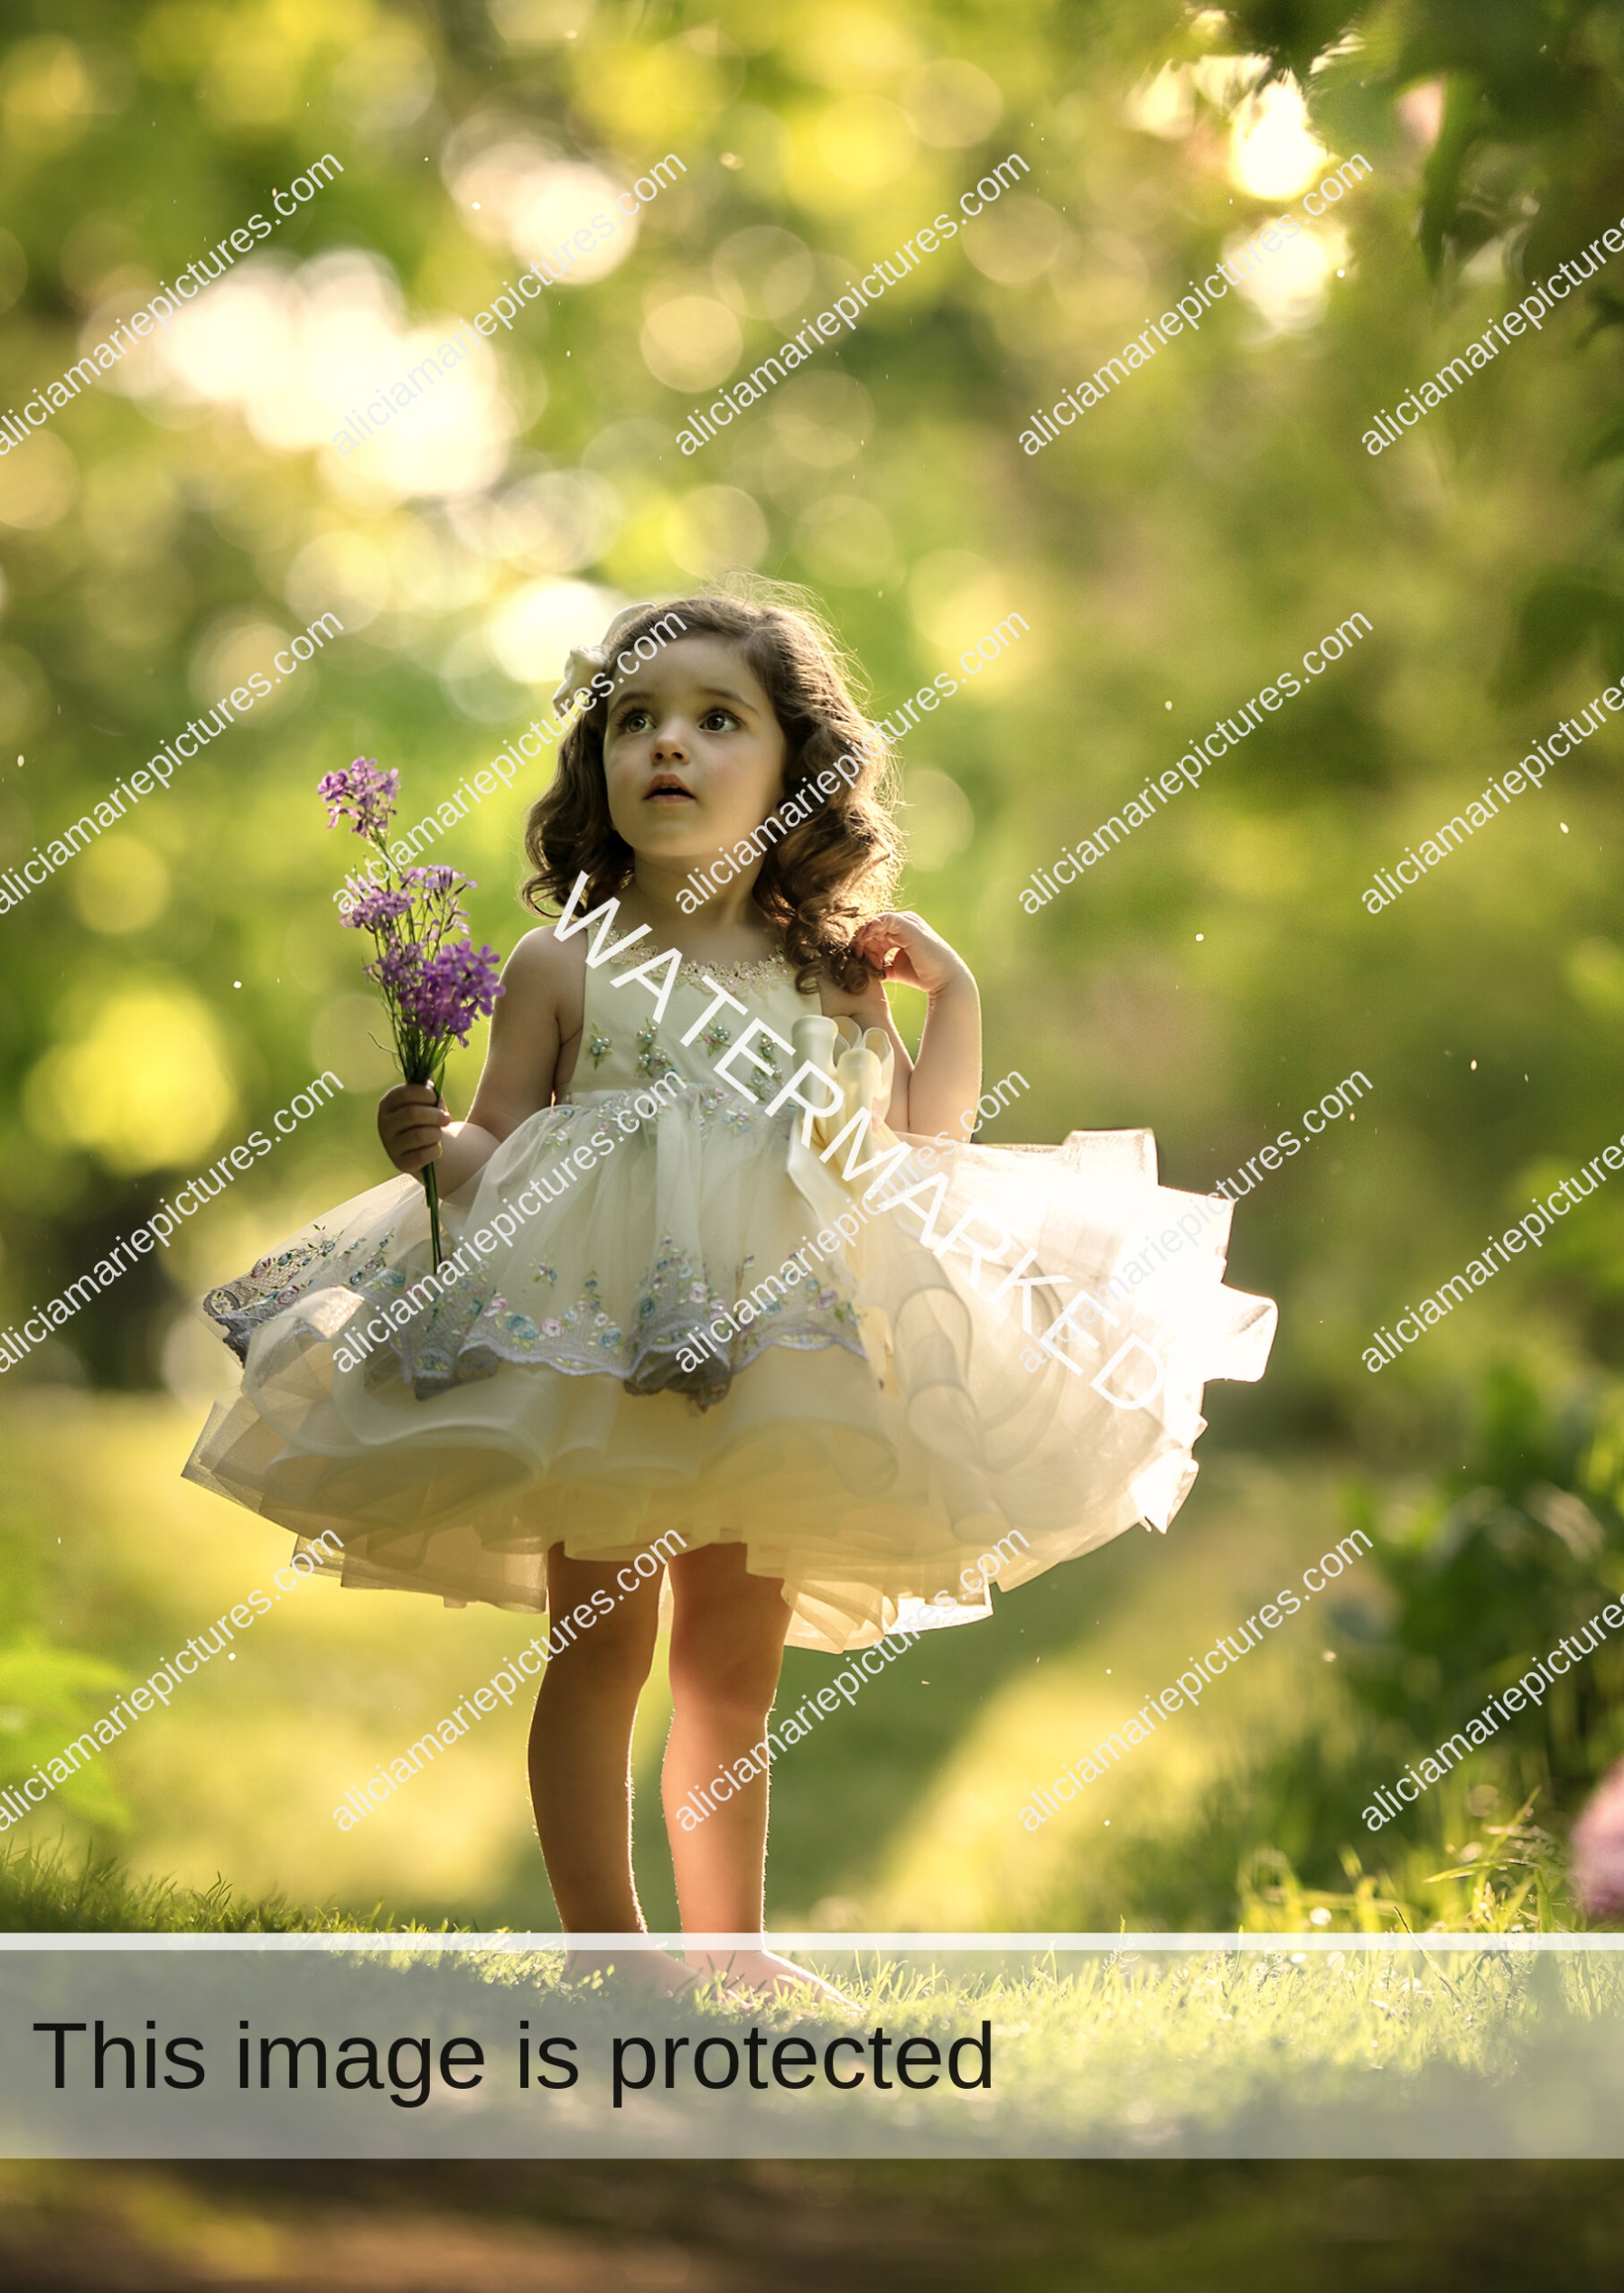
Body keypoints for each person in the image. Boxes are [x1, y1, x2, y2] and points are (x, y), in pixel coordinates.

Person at [183, 585, 1275, 1998]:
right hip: (597, 1351)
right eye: (634, 721)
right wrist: (432, 1144)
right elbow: (497, 1149)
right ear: (599, 768)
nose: (668, 747)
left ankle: (733, 1947)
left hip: (782, 1345)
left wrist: (957, 1004)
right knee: (604, 1639)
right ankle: (612, 1955)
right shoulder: (560, 959)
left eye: (716, 719)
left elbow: (914, 1157)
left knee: (731, 1664)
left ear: (793, 770)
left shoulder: (828, 970)